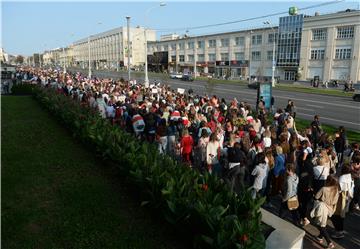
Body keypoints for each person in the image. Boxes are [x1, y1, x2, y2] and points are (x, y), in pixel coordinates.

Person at [310, 175, 339, 249]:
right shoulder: (336, 191)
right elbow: (335, 201)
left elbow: (316, 197)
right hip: (330, 209)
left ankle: (329, 242)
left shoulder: (324, 189)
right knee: (323, 222)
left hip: (322, 209)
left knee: (321, 225)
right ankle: (320, 237)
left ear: (328, 181)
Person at [331, 164, 354, 239]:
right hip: (347, 199)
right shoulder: (350, 176)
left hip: (340, 199)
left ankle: (339, 232)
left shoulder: (341, 178)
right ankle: (340, 230)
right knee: (341, 215)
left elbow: (338, 190)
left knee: (335, 215)